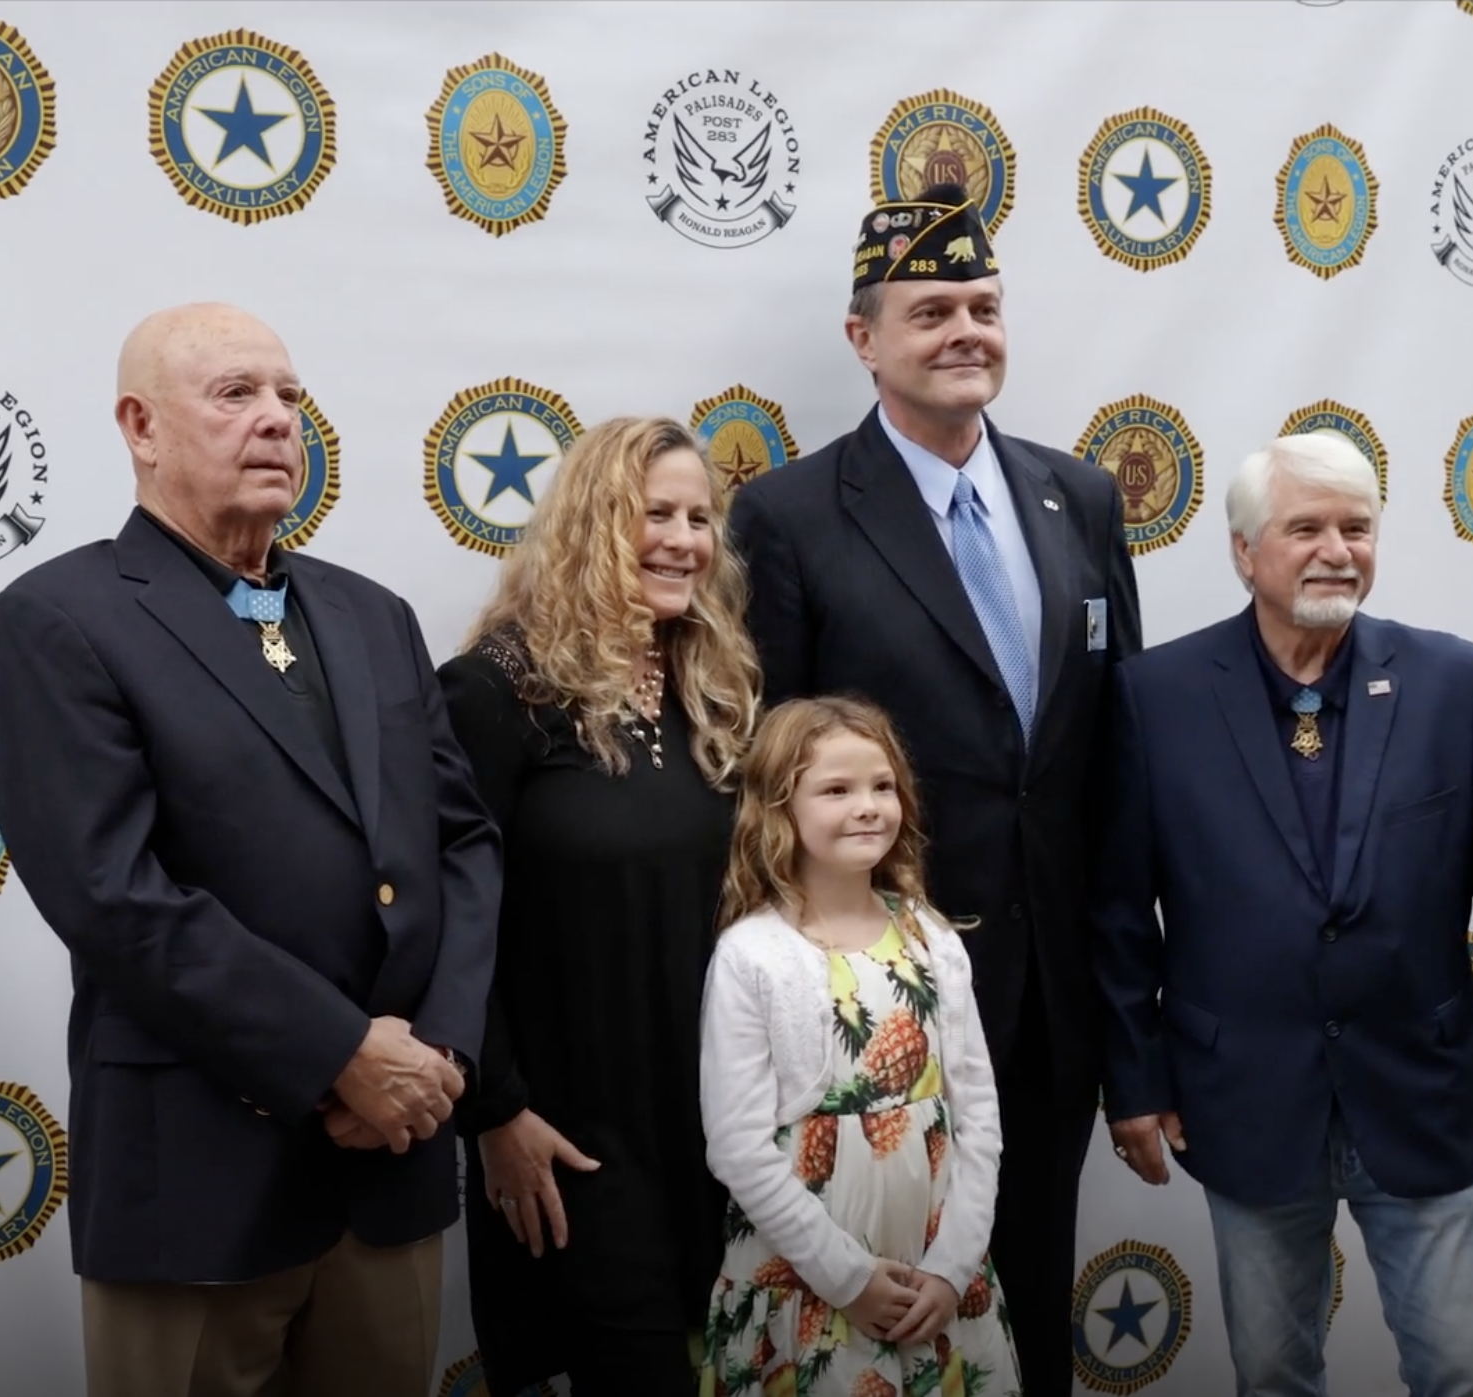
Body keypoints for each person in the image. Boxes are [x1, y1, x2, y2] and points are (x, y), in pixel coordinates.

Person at [0, 303, 499, 1397]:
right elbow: (110, 892)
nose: (276, 420)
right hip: (198, 1183)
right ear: (140, 424)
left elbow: (462, 843)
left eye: (290, 398)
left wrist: (436, 1054)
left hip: (392, 1160)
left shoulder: (374, 616)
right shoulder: (60, 617)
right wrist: (341, 1056)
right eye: (235, 394)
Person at [728, 181, 1142, 1391]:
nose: (966, 330)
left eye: (983, 305)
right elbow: (770, 775)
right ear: (863, 340)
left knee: (1024, 1295)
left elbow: (1108, 762)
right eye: (930, 311)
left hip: (1049, 996)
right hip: (875, 1006)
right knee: (875, 1316)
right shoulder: (789, 517)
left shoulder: (1082, 497)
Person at [1091, 433, 1473, 1397]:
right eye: (1306, 527)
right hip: (1241, 1099)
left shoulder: (1452, 683)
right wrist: (1134, 1079)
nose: (1336, 549)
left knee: (1461, 1369)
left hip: (1423, 1089)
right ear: (1245, 551)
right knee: (1274, 1375)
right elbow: (1118, 913)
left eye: (1355, 528)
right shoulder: (1156, 698)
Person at [437, 416, 759, 1396]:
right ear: (588, 524)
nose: (681, 538)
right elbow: (449, 921)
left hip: (715, 1122)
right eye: (649, 512)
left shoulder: (715, 689)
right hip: (570, 1137)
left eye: (698, 516)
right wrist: (495, 1113)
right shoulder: (494, 691)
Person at [700, 695, 1019, 1397]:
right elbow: (736, 1146)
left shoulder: (931, 937)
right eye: (836, 790)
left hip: (936, 1280)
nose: (867, 806)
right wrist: (847, 1279)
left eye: (881, 786)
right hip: (810, 1289)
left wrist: (951, 1267)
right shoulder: (751, 955)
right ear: (778, 807)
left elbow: (978, 1118)